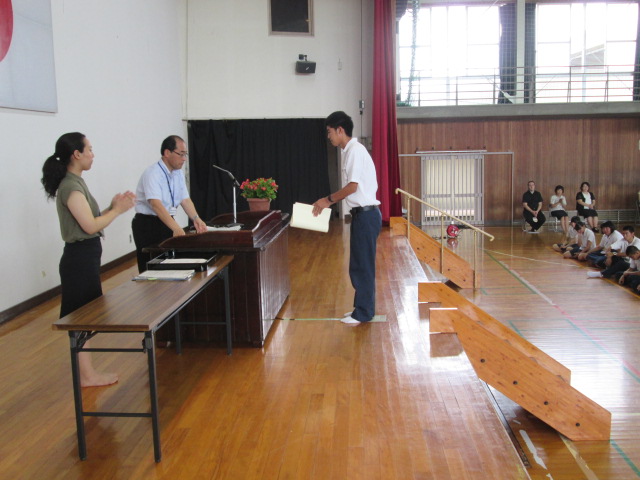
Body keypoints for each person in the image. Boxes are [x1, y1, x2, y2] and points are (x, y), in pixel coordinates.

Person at [41, 132, 136, 387]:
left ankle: (87, 374)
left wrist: (112, 207)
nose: (93, 154)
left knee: (85, 316)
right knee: (80, 318)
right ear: (77, 154)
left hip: (85, 258)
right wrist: (118, 211)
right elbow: (90, 226)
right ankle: (86, 376)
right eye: (90, 149)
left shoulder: (76, 182)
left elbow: (90, 220)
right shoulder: (70, 186)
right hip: (78, 260)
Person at [312, 111, 382, 325]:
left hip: (366, 215)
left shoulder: (354, 151)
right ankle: (360, 309)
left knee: (362, 266)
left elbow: (352, 187)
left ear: (340, 130)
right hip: (363, 216)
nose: (329, 137)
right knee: (359, 264)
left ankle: (363, 313)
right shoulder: (351, 151)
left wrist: (327, 200)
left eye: (330, 132)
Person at [132, 135, 208, 272]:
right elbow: (156, 204)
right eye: (181, 154)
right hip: (148, 224)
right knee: (150, 266)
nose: (184, 159)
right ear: (167, 153)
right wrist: (176, 228)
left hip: (166, 221)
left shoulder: (178, 173)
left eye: (185, 154)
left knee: (168, 264)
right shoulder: (153, 173)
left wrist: (196, 218)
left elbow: (185, 199)